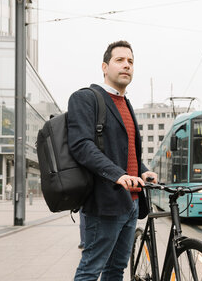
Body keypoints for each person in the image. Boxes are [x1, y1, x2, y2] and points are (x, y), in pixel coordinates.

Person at [68, 40, 158, 280]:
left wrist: (143, 170)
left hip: (131, 202)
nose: (126, 65)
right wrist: (118, 175)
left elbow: (126, 152)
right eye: (119, 60)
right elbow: (81, 146)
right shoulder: (86, 98)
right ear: (104, 67)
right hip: (104, 201)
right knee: (91, 268)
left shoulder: (126, 103)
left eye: (130, 61)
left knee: (116, 270)